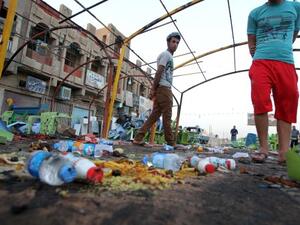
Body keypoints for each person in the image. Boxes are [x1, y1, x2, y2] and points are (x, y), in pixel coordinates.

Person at [247, 0, 300, 164]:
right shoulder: (255, 13)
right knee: (260, 99)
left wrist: (281, 48)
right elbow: (251, 43)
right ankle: (263, 148)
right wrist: (261, 55)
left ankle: (284, 152)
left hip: (285, 61)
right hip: (261, 61)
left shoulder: (295, 7)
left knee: (288, 101)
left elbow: (294, 33)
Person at [133, 32, 180, 147]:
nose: (175, 44)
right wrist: (153, 89)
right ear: (168, 42)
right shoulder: (166, 55)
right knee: (167, 115)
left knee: (154, 116)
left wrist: (155, 90)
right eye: (173, 41)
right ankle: (171, 142)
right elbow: (159, 71)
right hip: (164, 88)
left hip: (162, 88)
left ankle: (138, 138)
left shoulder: (169, 56)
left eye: (177, 43)